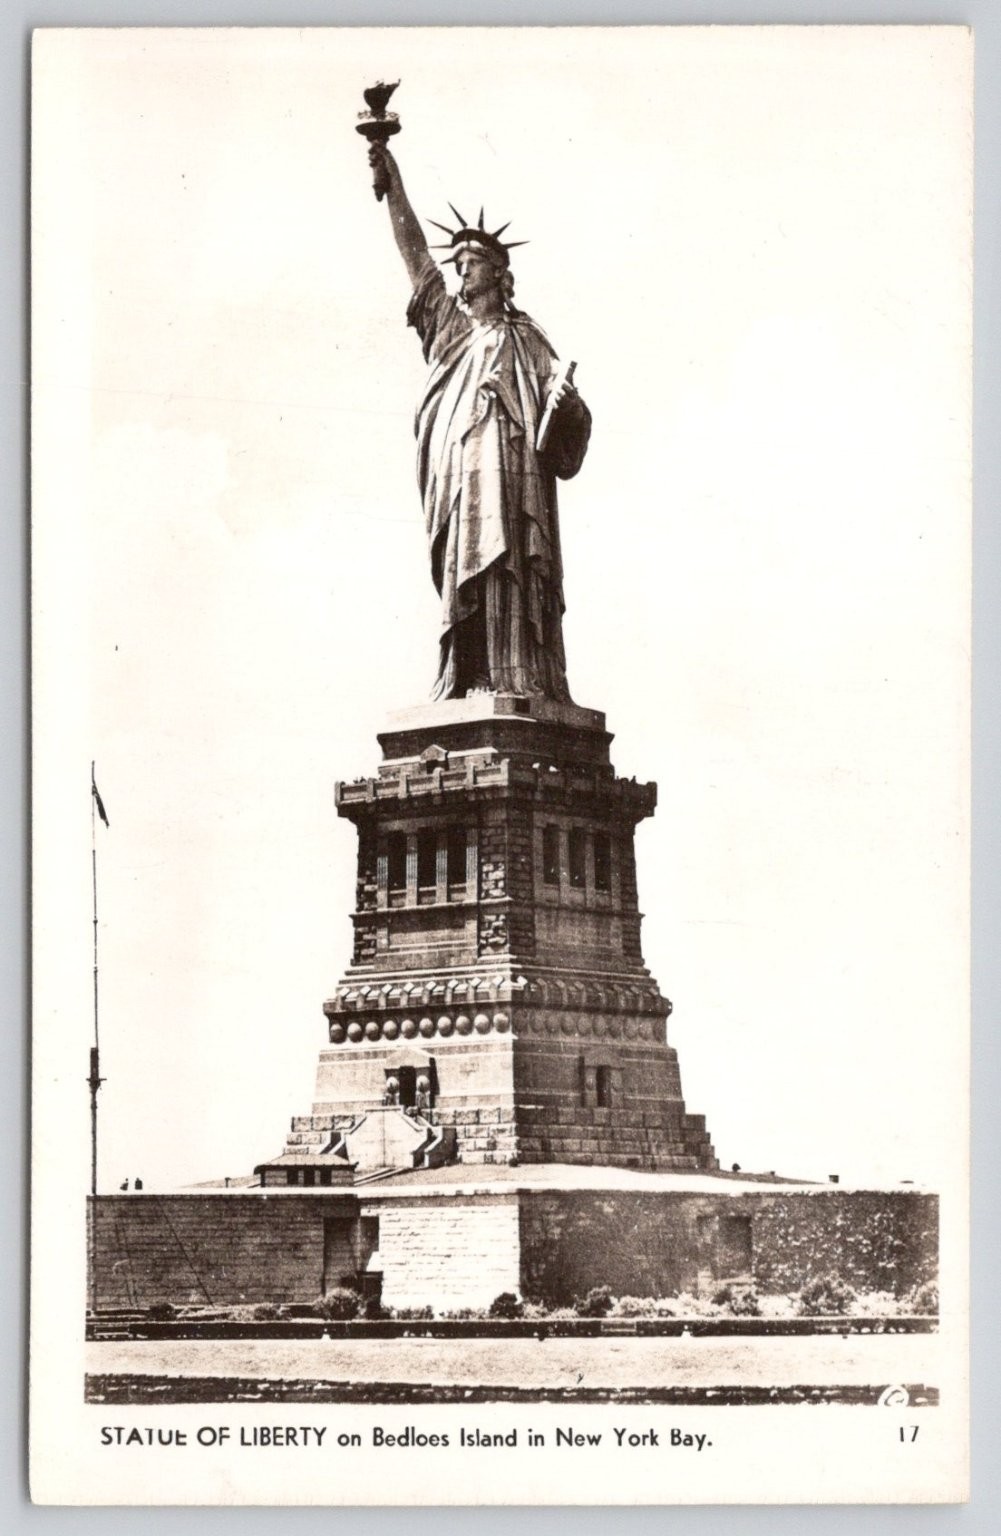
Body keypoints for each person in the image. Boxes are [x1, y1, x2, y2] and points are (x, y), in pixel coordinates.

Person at [368, 142, 591, 701]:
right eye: (459, 263)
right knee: (467, 570)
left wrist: (567, 408)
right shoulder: (450, 331)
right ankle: (467, 676)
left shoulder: (528, 340)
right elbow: (416, 258)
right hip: (464, 482)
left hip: (518, 489)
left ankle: (520, 675)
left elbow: (569, 418)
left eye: (472, 262)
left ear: (499, 272)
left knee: (511, 569)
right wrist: (391, 178)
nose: (461, 269)